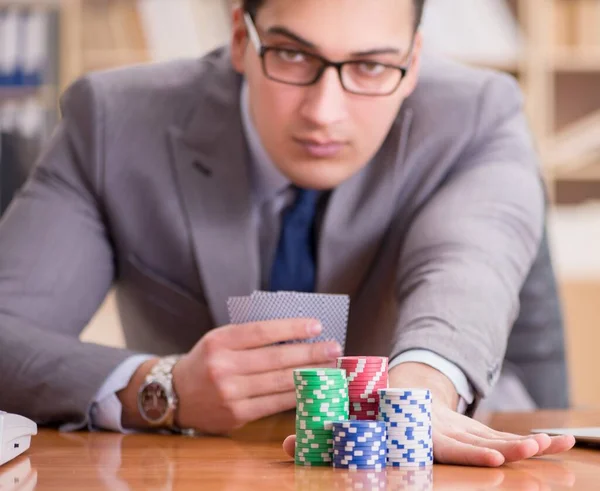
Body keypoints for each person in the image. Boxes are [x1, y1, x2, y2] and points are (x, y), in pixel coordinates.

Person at [0, 0, 574, 467]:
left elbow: (465, 266)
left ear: (414, 60)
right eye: (292, 55)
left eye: (371, 65)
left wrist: (419, 392)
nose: (324, 111)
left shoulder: (478, 116)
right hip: (201, 471)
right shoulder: (113, 121)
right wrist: (160, 389)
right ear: (240, 38)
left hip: (451, 464)